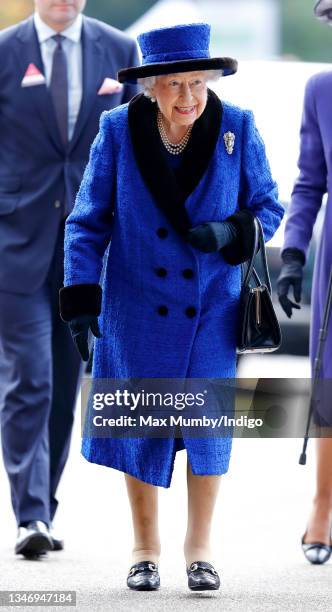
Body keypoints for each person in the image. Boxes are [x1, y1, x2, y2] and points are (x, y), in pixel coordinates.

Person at [59, 23, 284, 591]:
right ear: (150, 87)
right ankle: (143, 549)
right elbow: (86, 223)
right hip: (136, 307)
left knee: (206, 428)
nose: (188, 97)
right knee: (141, 423)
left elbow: (268, 206)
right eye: (175, 84)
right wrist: (83, 298)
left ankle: (200, 548)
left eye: (197, 83)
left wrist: (233, 232)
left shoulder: (237, 127)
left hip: (212, 307)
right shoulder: (116, 130)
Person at [0, 0, 139, 558]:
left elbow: (135, 148)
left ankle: (44, 505)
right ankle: (28, 513)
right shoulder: (6, 52)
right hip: (15, 240)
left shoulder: (119, 50)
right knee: (29, 375)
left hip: (89, 247)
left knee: (65, 379)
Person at [277, 0, 332, 565]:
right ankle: (321, 508)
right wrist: (293, 253)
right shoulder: (320, 88)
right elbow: (309, 180)